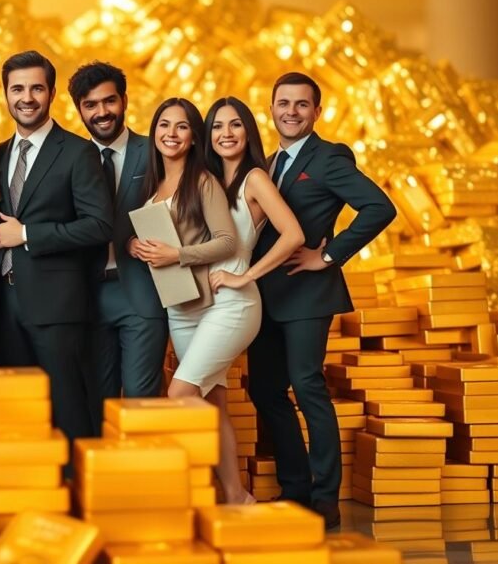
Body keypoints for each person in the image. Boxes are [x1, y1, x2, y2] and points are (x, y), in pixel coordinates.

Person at [248, 73, 396, 528]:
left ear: (317, 111)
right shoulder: (266, 162)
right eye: (283, 103)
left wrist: (328, 255)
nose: (291, 111)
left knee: (307, 385)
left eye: (301, 104)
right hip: (264, 293)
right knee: (266, 390)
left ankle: (326, 498)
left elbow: (380, 207)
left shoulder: (328, 157)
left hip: (308, 294)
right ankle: (295, 491)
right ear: (270, 108)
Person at [152, 96, 305, 504]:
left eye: (235, 125)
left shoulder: (255, 178)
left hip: (234, 304)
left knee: (180, 395)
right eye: (218, 127)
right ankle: (236, 495)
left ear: (248, 132)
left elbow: (293, 234)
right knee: (214, 402)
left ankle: (170, 491)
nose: (226, 134)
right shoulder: (206, 177)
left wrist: (246, 275)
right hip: (193, 305)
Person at [0, 50, 112, 451]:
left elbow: (99, 225)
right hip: (1, 302)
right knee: (18, 413)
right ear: (6, 95)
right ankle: (33, 500)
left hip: (58, 304)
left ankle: (81, 497)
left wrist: (28, 235)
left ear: (52, 93)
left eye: (36, 88)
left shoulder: (78, 152)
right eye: (18, 89)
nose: (27, 97)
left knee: (68, 409)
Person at [67, 61, 168, 432]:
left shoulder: (154, 150)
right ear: (79, 109)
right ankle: (105, 483)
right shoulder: (68, 157)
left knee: (142, 402)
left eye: (109, 101)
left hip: (142, 292)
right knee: (97, 403)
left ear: (125, 101)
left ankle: (142, 484)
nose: (101, 112)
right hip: (86, 296)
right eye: (90, 105)